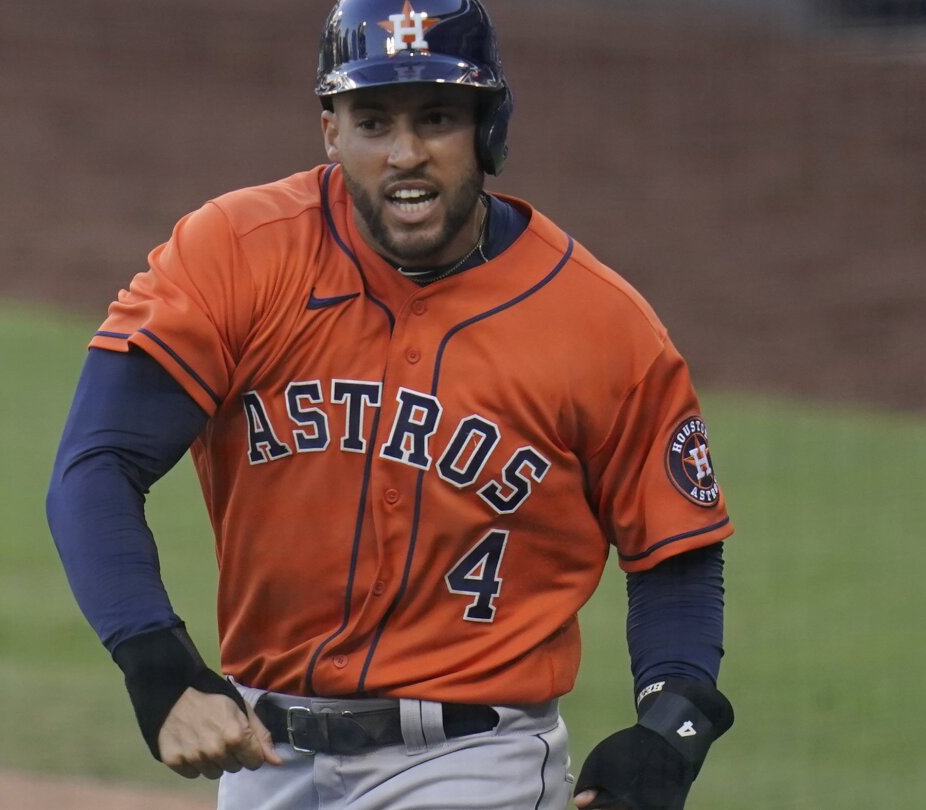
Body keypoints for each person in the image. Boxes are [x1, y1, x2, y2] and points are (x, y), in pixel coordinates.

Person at [46, 1, 735, 808]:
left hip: (473, 765)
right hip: (264, 759)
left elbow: (675, 552)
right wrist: (157, 665)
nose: (406, 154)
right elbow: (97, 464)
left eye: (437, 118)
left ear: (488, 129)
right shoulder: (237, 253)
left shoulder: (601, 325)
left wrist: (669, 731)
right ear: (332, 133)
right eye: (373, 121)